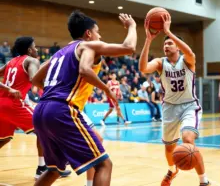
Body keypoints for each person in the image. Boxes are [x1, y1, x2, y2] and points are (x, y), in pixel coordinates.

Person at [31, 10, 137, 186]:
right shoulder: (87, 46)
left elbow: (35, 79)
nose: (99, 35)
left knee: (54, 169)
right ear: (88, 33)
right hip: (62, 109)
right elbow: (129, 48)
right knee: (104, 164)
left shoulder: (58, 54)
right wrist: (132, 26)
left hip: (42, 110)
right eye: (98, 31)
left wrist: (53, 90)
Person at [139, 14, 209, 186]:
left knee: (187, 139)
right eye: (164, 44)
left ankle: (203, 181)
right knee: (169, 148)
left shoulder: (187, 61)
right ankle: (172, 170)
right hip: (169, 107)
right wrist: (148, 40)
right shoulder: (160, 63)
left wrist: (169, 32)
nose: (166, 45)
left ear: (177, 47)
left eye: (169, 43)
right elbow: (143, 68)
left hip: (188, 106)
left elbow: (191, 52)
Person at [0, 37, 71, 179]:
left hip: (1, 104)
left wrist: (7, 88)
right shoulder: (31, 61)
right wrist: (52, 92)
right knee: (45, 128)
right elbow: (34, 79)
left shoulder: (11, 62)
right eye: (34, 47)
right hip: (15, 104)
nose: (36, 49)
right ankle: (43, 168)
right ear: (29, 50)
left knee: (4, 139)